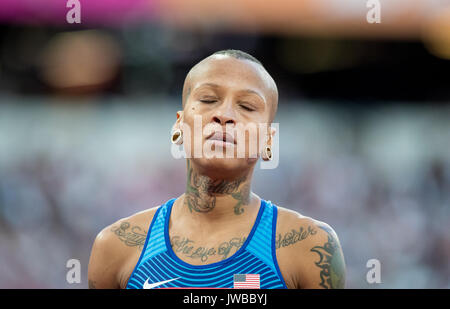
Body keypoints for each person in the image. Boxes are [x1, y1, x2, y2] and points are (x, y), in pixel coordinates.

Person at [87, 49, 346, 289]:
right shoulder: (116, 247)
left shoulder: (309, 247)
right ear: (179, 125)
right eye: (209, 99)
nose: (224, 115)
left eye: (246, 106)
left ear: (269, 140)